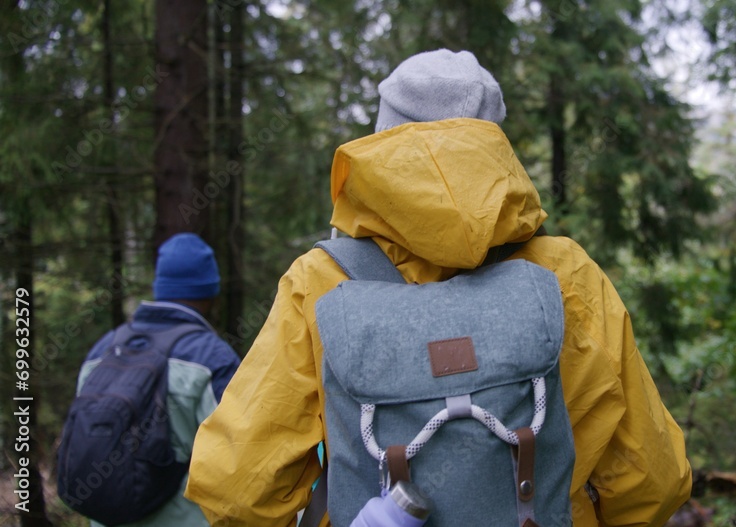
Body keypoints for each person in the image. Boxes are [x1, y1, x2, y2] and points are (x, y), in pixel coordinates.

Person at [186, 49, 692, 526]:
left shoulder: (320, 282)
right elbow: (652, 480)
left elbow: (237, 490)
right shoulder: (566, 274)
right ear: (495, 142)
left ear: (382, 137)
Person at [74, 232, 241, 526]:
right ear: (212, 293)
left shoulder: (102, 350)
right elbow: (240, 459)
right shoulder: (212, 357)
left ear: (160, 286)